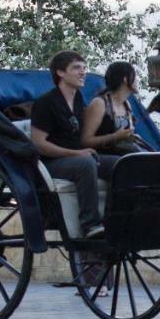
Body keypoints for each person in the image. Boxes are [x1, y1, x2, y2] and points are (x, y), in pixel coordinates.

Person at [30, 50, 115, 238]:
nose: (83, 72)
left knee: (120, 164)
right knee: (86, 163)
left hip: (77, 157)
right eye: (76, 68)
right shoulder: (46, 103)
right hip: (52, 163)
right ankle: (90, 225)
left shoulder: (77, 99)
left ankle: (113, 219)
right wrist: (75, 154)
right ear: (60, 72)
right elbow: (38, 144)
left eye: (84, 68)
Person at [82, 61, 147, 155]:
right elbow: (85, 141)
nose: (137, 80)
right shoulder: (100, 103)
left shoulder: (126, 104)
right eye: (134, 76)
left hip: (124, 153)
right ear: (125, 79)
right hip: (103, 155)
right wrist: (115, 137)